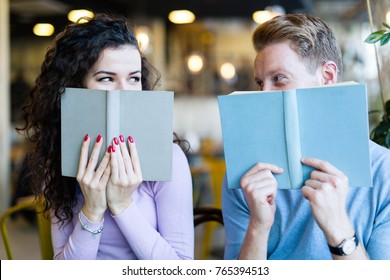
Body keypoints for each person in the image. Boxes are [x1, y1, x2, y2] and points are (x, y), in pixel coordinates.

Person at [19, 14, 194, 260]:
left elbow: (181, 269)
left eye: (133, 78)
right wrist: (92, 210)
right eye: (107, 79)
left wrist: (122, 205)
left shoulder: (170, 159)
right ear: (76, 87)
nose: (125, 92)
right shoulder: (60, 160)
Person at [222, 14, 390, 260]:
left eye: (278, 79)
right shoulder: (245, 175)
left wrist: (338, 228)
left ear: (328, 77)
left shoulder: (384, 172)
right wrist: (258, 227)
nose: (264, 94)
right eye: (260, 82)